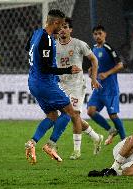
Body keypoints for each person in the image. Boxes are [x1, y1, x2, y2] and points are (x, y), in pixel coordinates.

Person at [24, 9, 83, 164]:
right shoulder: (47, 40)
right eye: (61, 25)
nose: (62, 28)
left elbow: (27, 50)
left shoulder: (36, 33)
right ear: (55, 22)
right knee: (70, 112)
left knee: (52, 116)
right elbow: (45, 68)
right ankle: (51, 145)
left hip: (34, 82)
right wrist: (67, 70)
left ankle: (32, 142)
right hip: (45, 83)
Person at [55, 18, 103, 160]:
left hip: (77, 85)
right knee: (71, 116)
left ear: (70, 30)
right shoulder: (54, 46)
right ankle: (96, 137)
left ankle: (77, 151)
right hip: (62, 85)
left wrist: (94, 79)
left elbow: (94, 60)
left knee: (74, 115)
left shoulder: (79, 44)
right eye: (60, 27)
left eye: (65, 27)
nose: (62, 29)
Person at [87, 25, 126, 145]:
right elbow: (95, 66)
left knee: (113, 115)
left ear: (105, 34)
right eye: (95, 34)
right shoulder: (93, 49)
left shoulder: (108, 48)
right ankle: (111, 130)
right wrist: (91, 71)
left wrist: (107, 73)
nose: (98, 36)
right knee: (91, 111)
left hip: (110, 88)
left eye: (100, 33)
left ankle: (124, 140)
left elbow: (120, 65)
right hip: (99, 88)